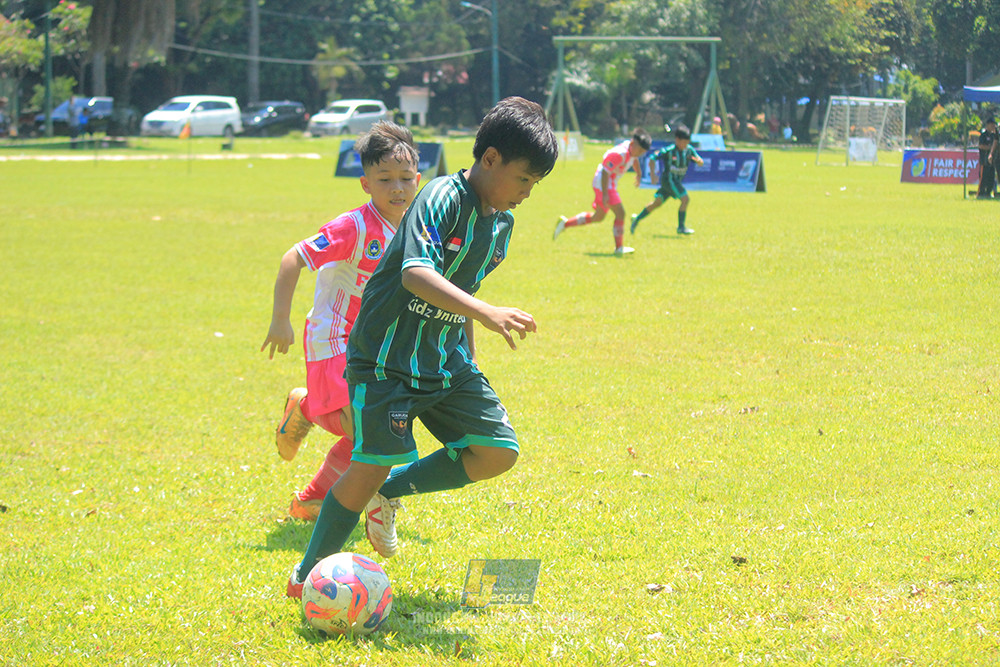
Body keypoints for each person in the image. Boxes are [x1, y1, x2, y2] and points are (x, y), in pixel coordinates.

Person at [285, 97, 558, 599]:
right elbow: (416, 274)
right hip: (386, 358)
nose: (526, 193)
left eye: (534, 185)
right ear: (491, 158)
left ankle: (389, 495)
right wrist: (487, 313)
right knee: (368, 465)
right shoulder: (440, 197)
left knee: (497, 452)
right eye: (523, 179)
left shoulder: (500, 224)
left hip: (446, 359)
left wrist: (469, 352)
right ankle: (306, 577)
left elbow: (463, 289)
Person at [261, 121, 421, 521]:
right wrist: (281, 319)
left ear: (418, 179)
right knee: (365, 429)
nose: (397, 188)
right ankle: (310, 408)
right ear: (366, 184)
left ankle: (313, 498)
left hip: (374, 345)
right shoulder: (353, 226)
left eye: (405, 178)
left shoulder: (416, 227)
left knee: (370, 434)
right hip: (333, 338)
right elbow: (292, 257)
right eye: (385, 179)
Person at [552, 127, 651, 256]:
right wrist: (605, 194)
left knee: (598, 217)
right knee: (620, 214)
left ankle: (565, 223)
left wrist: (639, 173)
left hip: (607, 184)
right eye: (640, 151)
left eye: (643, 152)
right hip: (603, 184)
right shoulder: (620, 154)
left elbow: (635, 160)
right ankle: (619, 248)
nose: (640, 154)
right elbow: (605, 171)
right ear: (633, 144)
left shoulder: (632, 152)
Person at [630, 124, 704, 236]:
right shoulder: (669, 151)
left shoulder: (689, 150)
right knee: (685, 199)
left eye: (687, 142)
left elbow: (700, 161)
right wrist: (653, 175)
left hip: (675, 182)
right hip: (669, 181)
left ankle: (636, 219)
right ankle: (681, 227)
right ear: (677, 140)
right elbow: (652, 159)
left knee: (656, 203)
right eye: (684, 142)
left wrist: (699, 161)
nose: (686, 145)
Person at [977, 117, 997, 199]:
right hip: (984, 160)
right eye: (991, 124)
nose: (993, 126)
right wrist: (990, 148)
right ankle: (981, 193)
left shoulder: (993, 135)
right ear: (988, 125)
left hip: (992, 161)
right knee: (983, 176)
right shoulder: (983, 135)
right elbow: (981, 146)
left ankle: (989, 192)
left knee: (991, 176)